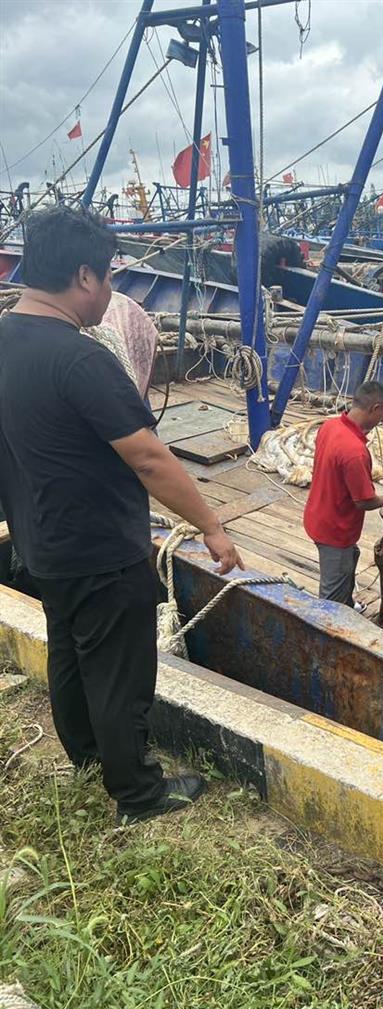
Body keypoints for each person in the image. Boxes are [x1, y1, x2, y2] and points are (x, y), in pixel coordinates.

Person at [0, 205, 243, 825]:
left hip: (42, 543)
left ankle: (85, 754)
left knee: (70, 653)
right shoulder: (82, 359)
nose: (110, 292)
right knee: (118, 674)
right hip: (103, 550)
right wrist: (212, 526)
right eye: (108, 278)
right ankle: (137, 792)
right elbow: (149, 458)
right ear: (84, 276)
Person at [304, 381, 383, 607]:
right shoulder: (354, 452)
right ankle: (331, 625)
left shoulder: (329, 427)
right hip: (334, 531)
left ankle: (346, 603)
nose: (381, 420)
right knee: (331, 597)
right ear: (375, 408)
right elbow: (364, 500)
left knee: (349, 561)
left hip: (317, 516)